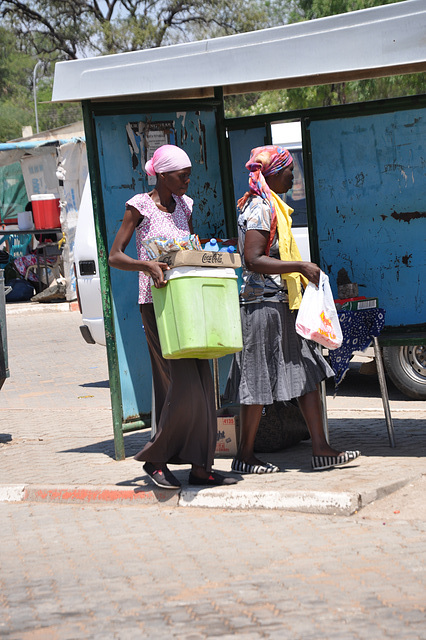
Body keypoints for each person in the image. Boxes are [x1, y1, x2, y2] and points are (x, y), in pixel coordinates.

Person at [224, 145, 360, 473]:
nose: (292, 176)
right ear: (272, 173)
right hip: (262, 308)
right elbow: (253, 260)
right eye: (288, 170)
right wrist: (299, 266)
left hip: (283, 304)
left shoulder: (272, 206)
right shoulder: (259, 207)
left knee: (307, 372)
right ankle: (244, 456)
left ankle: (321, 449)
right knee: (257, 380)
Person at [108, 144, 237, 489]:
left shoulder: (185, 205)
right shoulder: (140, 206)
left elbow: (186, 248)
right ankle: (155, 459)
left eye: (189, 174)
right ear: (162, 174)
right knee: (177, 385)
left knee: (202, 385)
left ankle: (200, 466)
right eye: (182, 175)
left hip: (189, 302)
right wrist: (146, 265)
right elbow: (114, 256)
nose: (187, 181)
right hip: (156, 305)